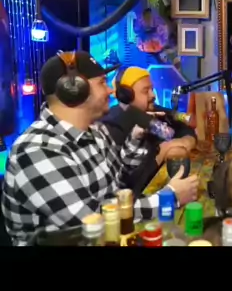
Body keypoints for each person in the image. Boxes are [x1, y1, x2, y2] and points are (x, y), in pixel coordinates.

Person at [1, 52, 198, 245]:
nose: (111, 91)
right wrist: (169, 198)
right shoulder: (37, 152)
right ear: (74, 90)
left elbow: (119, 180)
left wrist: (135, 140)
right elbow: (91, 222)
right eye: (102, 83)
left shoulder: (95, 131)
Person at [101, 66, 197, 192]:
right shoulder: (114, 125)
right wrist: (162, 152)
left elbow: (184, 128)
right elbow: (127, 183)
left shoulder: (155, 111)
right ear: (127, 96)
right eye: (146, 91)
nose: (153, 95)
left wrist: (187, 141)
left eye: (152, 89)